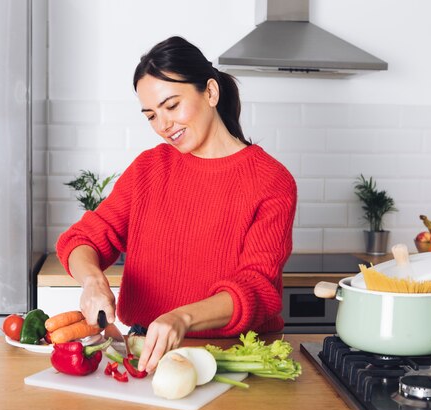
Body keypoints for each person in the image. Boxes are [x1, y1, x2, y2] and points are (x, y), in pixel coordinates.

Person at [56, 36, 297, 373]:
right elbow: (84, 239)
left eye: (171, 106)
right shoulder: (149, 169)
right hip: (149, 353)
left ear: (210, 93)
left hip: (237, 357)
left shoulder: (270, 180)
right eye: (151, 115)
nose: (163, 125)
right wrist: (92, 280)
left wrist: (182, 318)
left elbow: (257, 287)